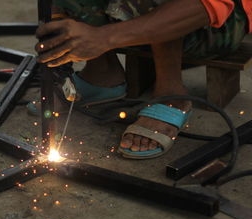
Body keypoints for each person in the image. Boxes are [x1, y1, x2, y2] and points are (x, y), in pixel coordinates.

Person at [35, 0, 251, 159]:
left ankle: (171, 94)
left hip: (214, 24)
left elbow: (209, 5)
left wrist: (104, 38)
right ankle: (102, 73)